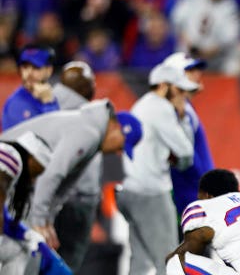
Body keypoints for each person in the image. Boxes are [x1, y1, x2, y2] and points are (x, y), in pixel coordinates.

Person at [0, 99, 142, 253]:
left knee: (25, 248)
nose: (119, 151)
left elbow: (64, 186)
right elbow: (51, 175)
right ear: (116, 128)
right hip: (5, 167)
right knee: (19, 249)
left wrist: (48, 222)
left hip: (17, 178)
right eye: (122, 144)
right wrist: (39, 222)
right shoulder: (89, 132)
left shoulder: (94, 138)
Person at [116, 62, 198, 275]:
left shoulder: (142, 104)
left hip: (132, 190)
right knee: (170, 262)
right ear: (163, 85)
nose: (182, 96)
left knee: (141, 262)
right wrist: (184, 120)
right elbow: (186, 153)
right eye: (178, 89)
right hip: (151, 193)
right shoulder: (161, 108)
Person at [50, 61, 102, 271]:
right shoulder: (92, 115)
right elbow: (112, 162)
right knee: (70, 262)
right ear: (84, 87)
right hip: (79, 200)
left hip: (49, 199)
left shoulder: (44, 107)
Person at [162, 52, 215, 234]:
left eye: (197, 69)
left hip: (195, 195)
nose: (197, 74)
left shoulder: (184, 108)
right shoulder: (174, 111)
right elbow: (183, 157)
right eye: (189, 70)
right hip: (187, 197)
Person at [0, 131, 55, 274]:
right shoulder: (11, 162)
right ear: (30, 158)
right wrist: (25, 234)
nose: (34, 180)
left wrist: (25, 233)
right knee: (18, 249)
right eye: (36, 173)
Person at [2, 45, 58, 130]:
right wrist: (48, 104)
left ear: (49, 70)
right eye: (25, 67)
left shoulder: (55, 96)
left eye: (36, 67)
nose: (28, 73)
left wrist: (49, 101)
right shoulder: (16, 104)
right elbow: (50, 135)